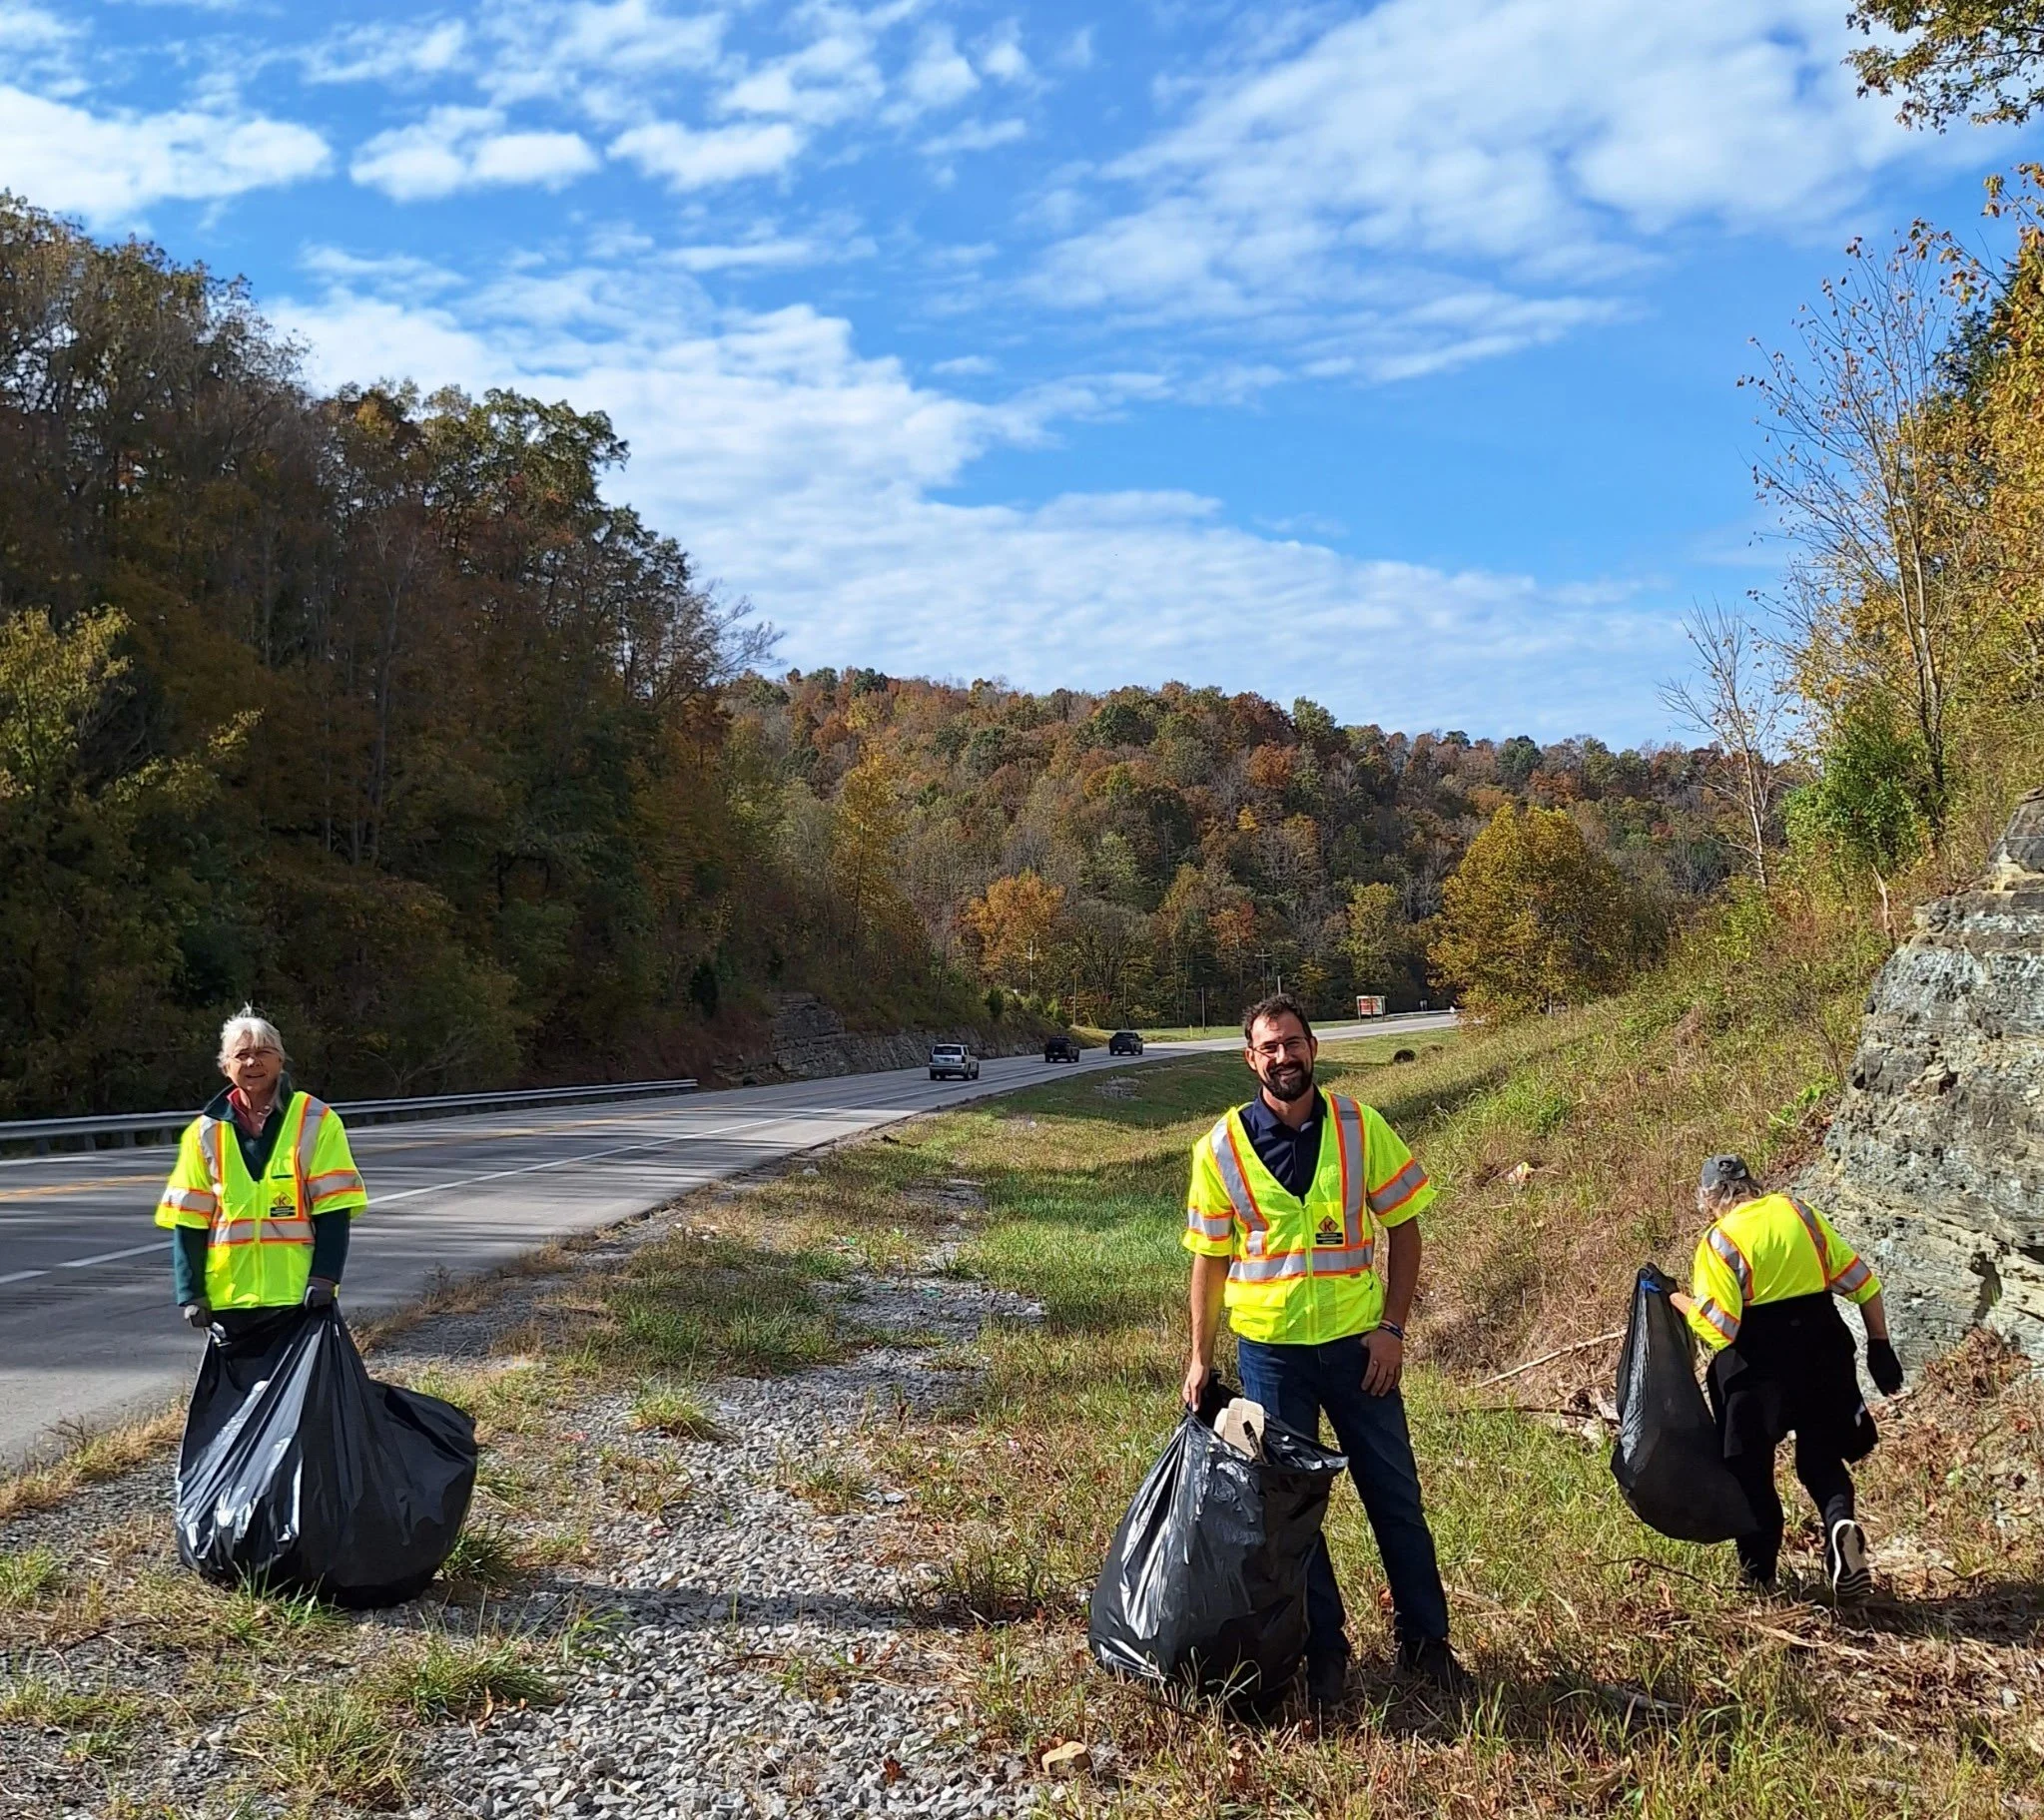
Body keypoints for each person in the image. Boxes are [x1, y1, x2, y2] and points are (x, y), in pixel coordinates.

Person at [1180, 993, 1468, 1706]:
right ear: (1250, 1060)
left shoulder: (1358, 1126)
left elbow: (1403, 1226)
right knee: (1291, 1516)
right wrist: (1197, 1355)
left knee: (1394, 1496)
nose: (1283, 1056)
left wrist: (1392, 1327)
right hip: (1271, 1354)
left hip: (1357, 1352)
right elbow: (1208, 1261)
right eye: (1268, 1047)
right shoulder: (1218, 1148)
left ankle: (1425, 1643)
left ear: (1314, 1047)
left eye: (1292, 1042)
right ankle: (1324, 1651)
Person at [1667, 1154, 1903, 1599]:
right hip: (1824, 1351)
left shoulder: (1719, 1241)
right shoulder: (1801, 1214)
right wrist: (1880, 1347)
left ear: (1709, 1200)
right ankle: (1839, 1527)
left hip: (1758, 1368)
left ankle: (1760, 1582)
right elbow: (1865, 1283)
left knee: (1751, 1474)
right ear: (1753, 1185)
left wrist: (1675, 1298)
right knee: (1821, 1458)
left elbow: (1720, 1328)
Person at [155, 1010, 367, 1332]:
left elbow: (334, 1207)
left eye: (263, 1053)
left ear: (280, 1061)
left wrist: (325, 1277)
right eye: (242, 1055)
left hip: (299, 1296)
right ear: (226, 1067)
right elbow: (188, 1219)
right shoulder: (203, 1132)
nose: (253, 1063)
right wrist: (191, 1293)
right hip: (229, 1298)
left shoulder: (317, 1120)